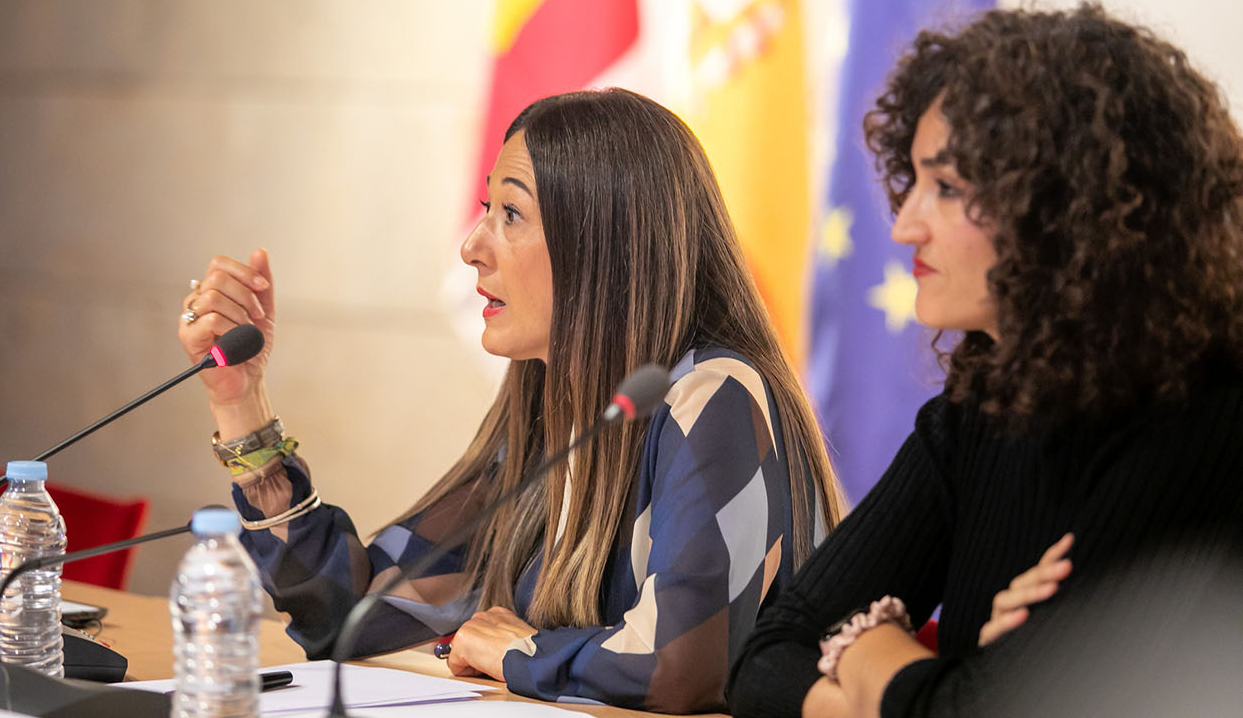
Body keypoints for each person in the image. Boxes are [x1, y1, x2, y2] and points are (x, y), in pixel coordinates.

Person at [178, 88, 843, 713]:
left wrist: (520, 651)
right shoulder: (556, 414)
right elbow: (354, 616)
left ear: (600, 244)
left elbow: (680, 663)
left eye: (510, 214)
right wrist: (242, 403)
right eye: (484, 210)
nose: (471, 247)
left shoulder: (713, 397)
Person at [726, 2, 1243, 718]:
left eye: (947, 187)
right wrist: (896, 693)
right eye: (911, 182)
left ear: (1065, 209)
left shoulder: (1203, 420)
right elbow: (765, 653)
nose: (906, 224)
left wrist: (867, 645)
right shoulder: (977, 411)